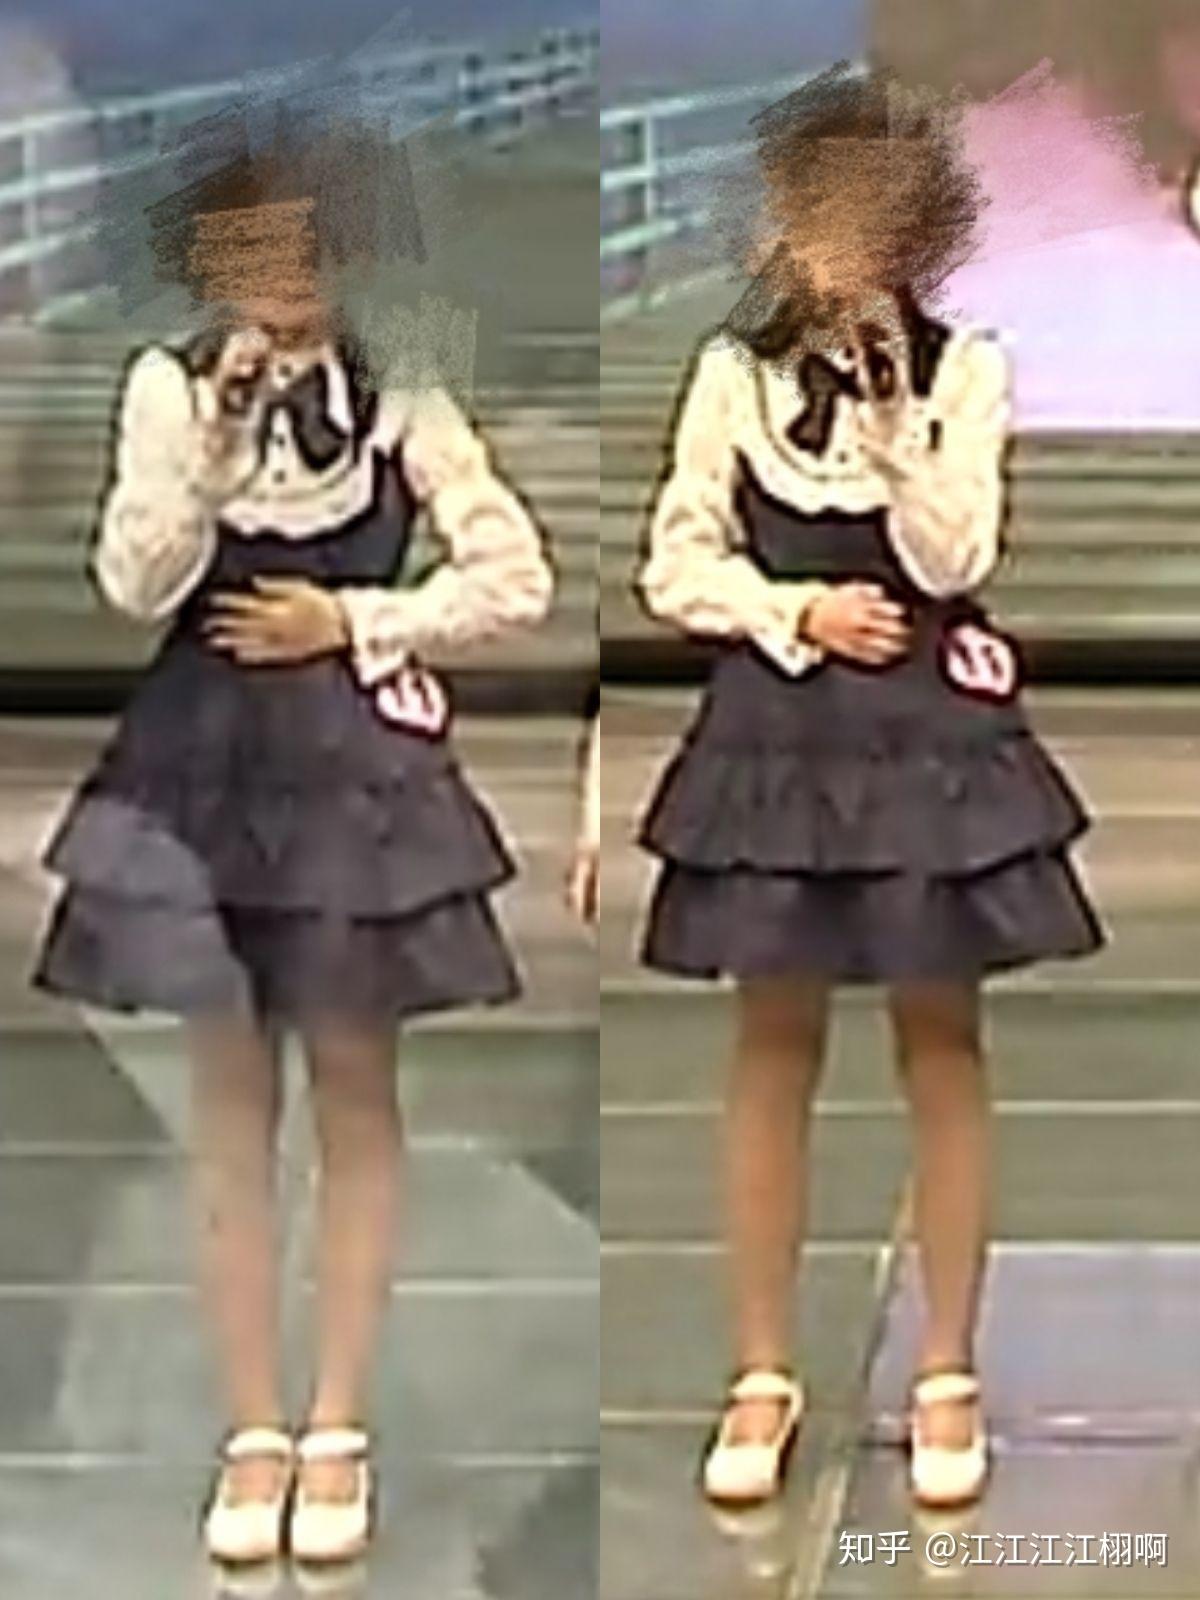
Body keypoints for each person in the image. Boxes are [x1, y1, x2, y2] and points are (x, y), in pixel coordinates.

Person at [32, 125, 553, 1567]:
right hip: (204, 761)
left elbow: (514, 573)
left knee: (355, 1088)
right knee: (228, 1103)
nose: (286, 270)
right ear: (209, 259)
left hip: (351, 773)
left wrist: (360, 620)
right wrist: (211, 443)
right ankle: (254, 1426)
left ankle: (338, 1425)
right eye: (254, 246)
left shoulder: (398, 388)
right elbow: (134, 580)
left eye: (308, 242)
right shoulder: (166, 385)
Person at [633, 65, 1103, 1511]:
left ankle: (947, 1366)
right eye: (816, 212)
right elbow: (674, 564)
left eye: (869, 216)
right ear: (782, 221)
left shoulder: (967, 371)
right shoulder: (735, 374)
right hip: (778, 732)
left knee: (940, 1038)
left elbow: (960, 557)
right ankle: (762, 1371)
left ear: (915, 231)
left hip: (925, 735)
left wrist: (896, 418)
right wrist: (793, 612)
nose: (838, 241)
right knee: (771, 1044)